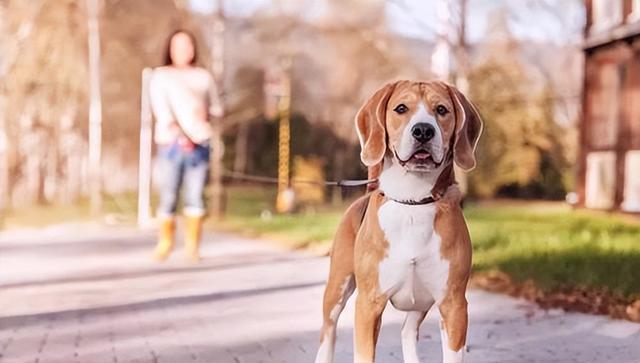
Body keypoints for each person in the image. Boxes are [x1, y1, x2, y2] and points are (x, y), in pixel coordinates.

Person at [149, 29, 220, 262]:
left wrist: (207, 112)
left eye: (187, 45)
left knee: (195, 195)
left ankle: (192, 247)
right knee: (168, 195)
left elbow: (217, 107)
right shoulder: (160, 76)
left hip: (200, 142)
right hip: (171, 143)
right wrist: (180, 135)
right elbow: (161, 109)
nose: (183, 50)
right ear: (170, 49)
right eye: (178, 45)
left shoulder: (203, 76)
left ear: (194, 48)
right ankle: (165, 243)